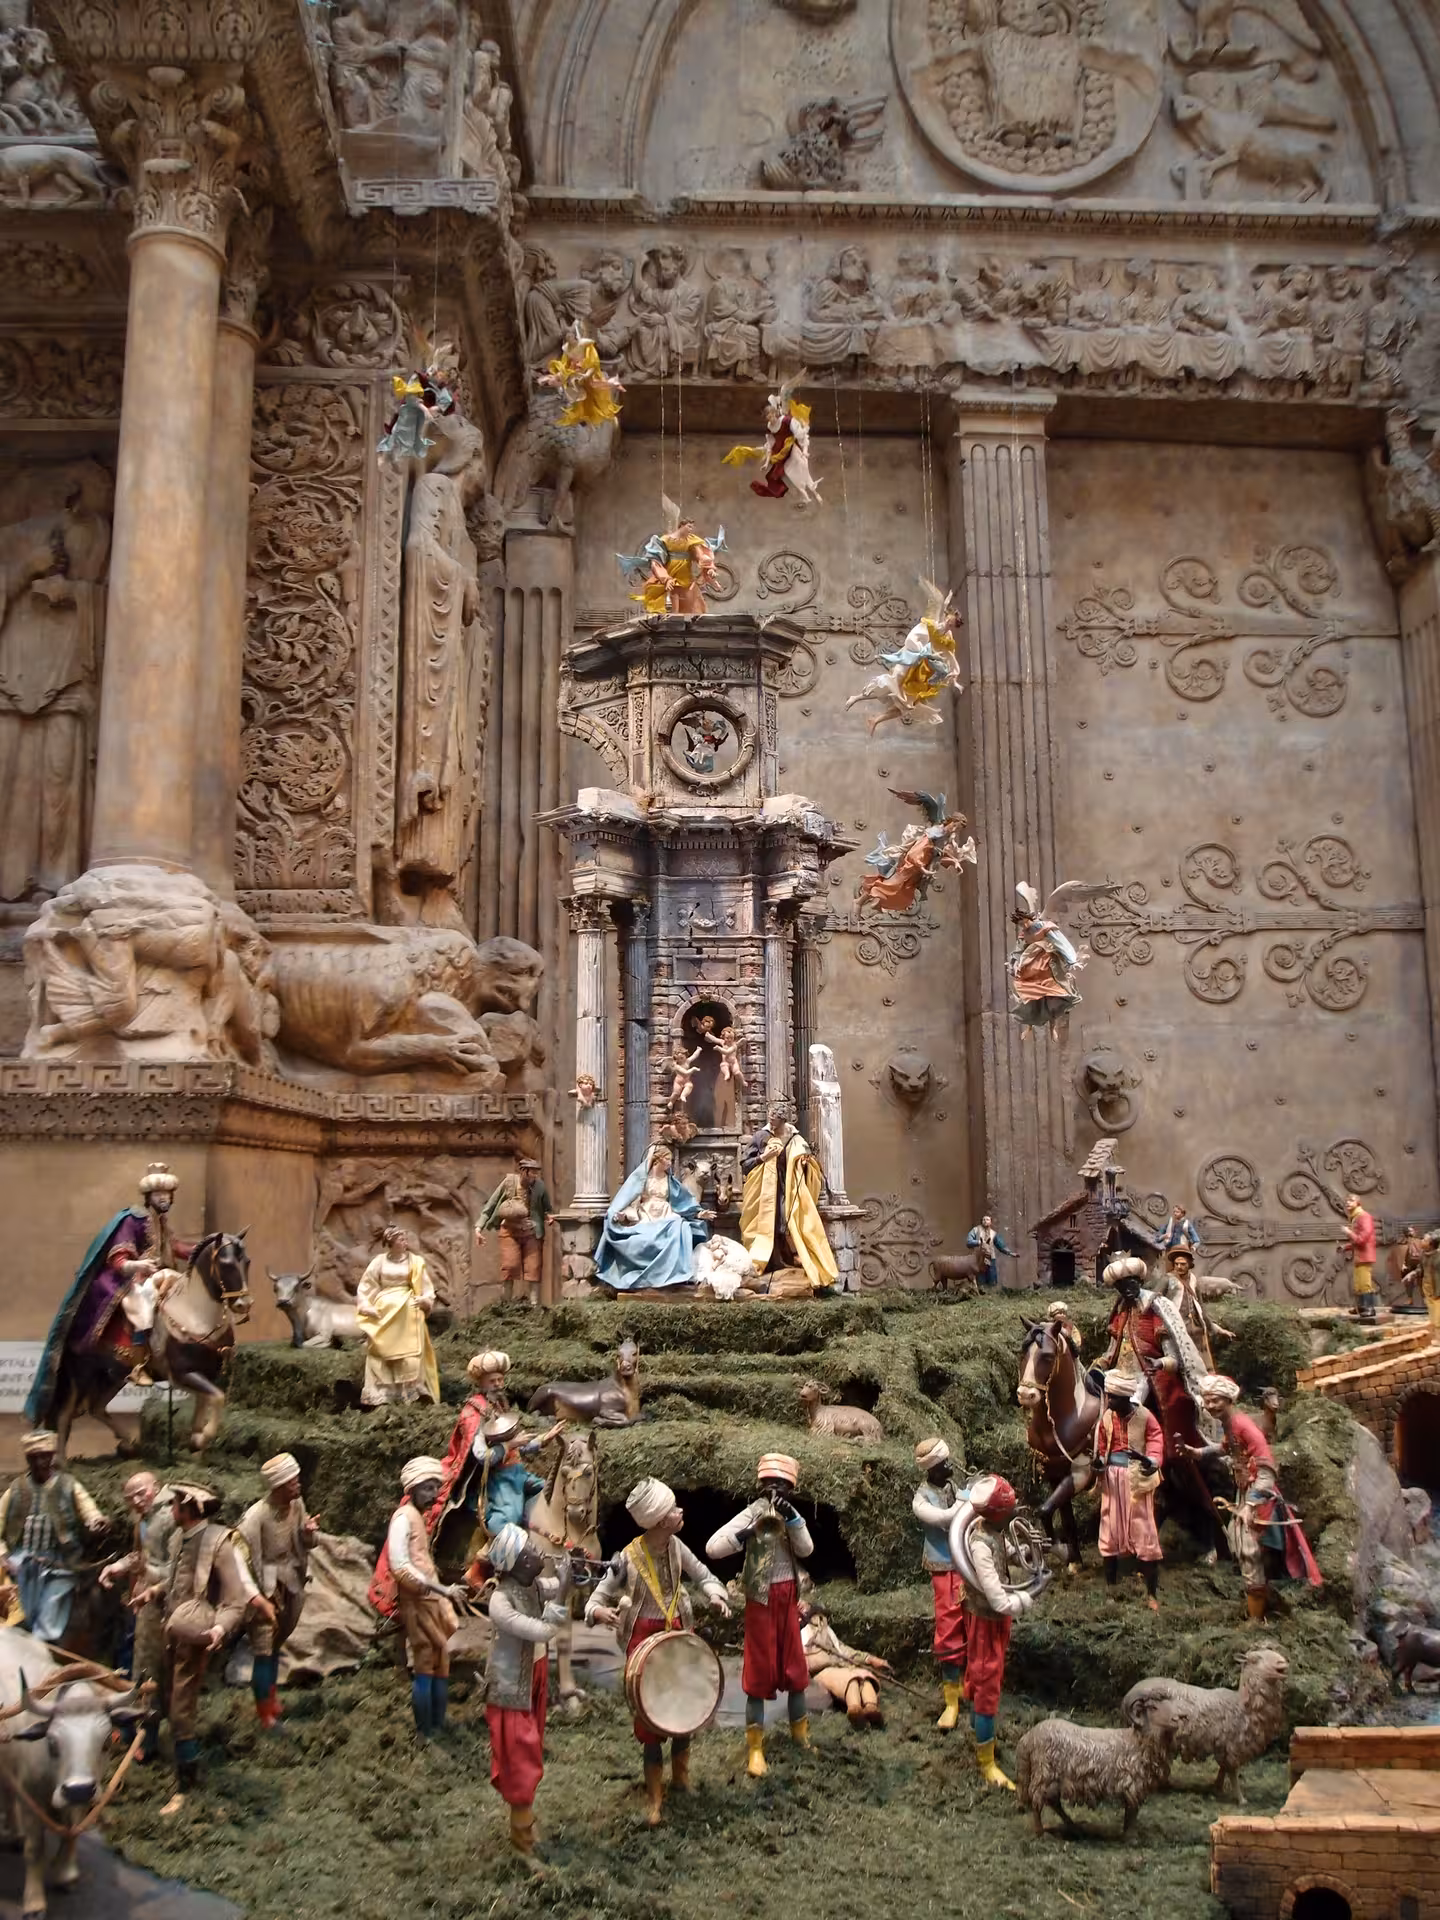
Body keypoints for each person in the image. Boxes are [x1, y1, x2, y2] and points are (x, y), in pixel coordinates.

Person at [587, 1476, 731, 1823]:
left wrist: (715, 1594)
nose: (680, 1512)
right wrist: (597, 1611)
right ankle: (655, 1796)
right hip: (644, 1641)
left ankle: (681, 1778)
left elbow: (704, 1575)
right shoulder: (628, 1557)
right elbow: (597, 1596)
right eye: (673, 1509)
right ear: (659, 1520)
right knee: (650, 1717)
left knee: (685, 1707)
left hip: (678, 1633)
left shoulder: (677, 1547)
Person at [28, 1162, 196, 1419]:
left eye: (167, 1193)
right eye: (158, 1194)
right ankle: (138, 1363)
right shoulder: (133, 1218)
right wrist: (138, 1264)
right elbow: (118, 1257)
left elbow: (174, 1247)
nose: (164, 1198)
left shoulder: (161, 1222)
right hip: (131, 1279)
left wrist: (206, 1248)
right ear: (149, 1196)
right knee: (144, 1303)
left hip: (159, 1276)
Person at [142, 1480, 269, 1800]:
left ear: (190, 1508)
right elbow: (177, 1581)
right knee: (161, 1696)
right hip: (170, 1630)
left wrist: (219, 1629)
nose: (171, 1509)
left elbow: (236, 1600)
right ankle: (159, 1754)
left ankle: (187, 1788)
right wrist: (154, 1592)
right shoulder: (178, 1538)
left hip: (196, 1633)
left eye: (176, 1504)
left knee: (182, 1710)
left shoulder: (219, 1543)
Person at [706, 1453, 814, 1778]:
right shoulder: (752, 1512)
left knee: (795, 1667)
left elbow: (807, 1549)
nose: (774, 1491)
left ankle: (800, 1735)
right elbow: (713, 1548)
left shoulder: (792, 1514)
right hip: (760, 1600)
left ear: (791, 1489)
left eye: (781, 1485)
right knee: (758, 1671)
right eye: (769, 1485)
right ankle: (755, 1748)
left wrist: (792, 1519)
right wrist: (747, 1533)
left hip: (788, 1598)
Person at [1187, 1375, 1322, 1621]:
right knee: (1242, 1548)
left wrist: (1250, 1505)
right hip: (1244, 1493)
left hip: (1259, 1499)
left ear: (1228, 1399)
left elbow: (1267, 1469)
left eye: (1215, 1400)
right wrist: (1199, 1452)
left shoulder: (1243, 1425)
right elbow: (1226, 1447)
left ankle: (1257, 1618)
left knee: (1250, 1552)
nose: (1210, 1406)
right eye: (1207, 1400)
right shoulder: (1230, 1425)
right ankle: (1261, 1604)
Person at [483, 1522, 569, 1856]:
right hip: (509, 1690)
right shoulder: (500, 1601)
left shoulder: (530, 1585)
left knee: (531, 1747)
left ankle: (524, 1823)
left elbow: (558, 1583)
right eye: (531, 1549)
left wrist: (586, 1572)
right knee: (521, 1756)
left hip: (533, 1677)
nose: (538, 1551)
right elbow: (543, 1631)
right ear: (518, 1562)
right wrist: (563, 1589)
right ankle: (522, 1840)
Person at [955, 1475, 1045, 1791]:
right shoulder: (980, 1545)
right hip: (987, 1621)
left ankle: (978, 1730)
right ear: (997, 1514)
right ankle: (986, 1763)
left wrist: (1028, 1550)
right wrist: (1026, 1599)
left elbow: (1005, 1553)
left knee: (982, 1677)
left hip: (993, 1621)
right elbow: (998, 1599)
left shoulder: (992, 1532)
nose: (1014, 1513)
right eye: (1009, 1509)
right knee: (987, 1684)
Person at [384, 1457, 469, 1739]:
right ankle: (425, 1730)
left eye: (435, 1488)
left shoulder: (418, 1517)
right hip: (417, 1602)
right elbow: (400, 1565)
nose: (434, 1494)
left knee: (440, 1658)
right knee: (425, 1659)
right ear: (412, 1489)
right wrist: (442, 1590)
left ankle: (437, 1724)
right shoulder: (402, 1518)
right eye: (428, 1488)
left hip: (430, 1600)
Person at [0, 1430, 106, 1644]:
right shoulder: (16, 1488)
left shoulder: (68, 1485)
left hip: (59, 1564)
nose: (39, 1462)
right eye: (34, 1457)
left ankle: (44, 1647)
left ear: (52, 1456)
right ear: (28, 1459)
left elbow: (89, 1509)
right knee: (20, 1615)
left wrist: (96, 1521)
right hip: (20, 1564)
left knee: (49, 1615)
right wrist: (3, 1556)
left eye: (44, 1456)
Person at [99, 1469, 174, 1760]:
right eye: (131, 1498)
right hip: (143, 1603)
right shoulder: (143, 1520)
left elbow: (178, 1570)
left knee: (152, 1671)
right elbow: (138, 1557)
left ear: (156, 1487)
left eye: (142, 1493)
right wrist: (117, 1567)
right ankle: (130, 1728)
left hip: (164, 1604)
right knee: (133, 1663)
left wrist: (147, 1573)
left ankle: (148, 1739)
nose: (138, 1501)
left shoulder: (170, 1518)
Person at [239, 1453, 317, 1729]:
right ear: (279, 1485)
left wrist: (308, 1533)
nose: (298, 1485)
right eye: (293, 1481)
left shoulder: (297, 1505)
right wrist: (258, 1596)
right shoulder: (255, 1517)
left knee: (276, 1645)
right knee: (264, 1649)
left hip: (291, 1582)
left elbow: (307, 1542)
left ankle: (271, 1698)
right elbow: (243, 1558)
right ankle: (264, 1714)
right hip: (266, 1588)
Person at [739, 1102, 838, 1295]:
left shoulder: (796, 1139)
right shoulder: (760, 1137)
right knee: (768, 1222)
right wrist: (763, 1157)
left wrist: (805, 1164)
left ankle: (789, 1260)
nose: (771, 1120)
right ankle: (766, 1263)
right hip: (763, 1193)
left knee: (788, 1222)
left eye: (775, 1117)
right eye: (770, 1116)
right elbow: (745, 1164)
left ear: (783, 1120)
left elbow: (811, 1165)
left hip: (789, 1189)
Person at [595, 1142, 710, 1292]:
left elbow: (683, 1201)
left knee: (680, 1226)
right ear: (658, 1159)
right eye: (667, 1159)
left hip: (666, 1214)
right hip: (647, 1214)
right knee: (647, 1237)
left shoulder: (669, 1181)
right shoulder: (642, 1179)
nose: (670, 1163)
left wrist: (698, 1213)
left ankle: (673, 1273)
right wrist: (619, 1214)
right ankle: (650, 1275)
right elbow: (627, 1197)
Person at [911, 1436, 967, 1729]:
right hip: (944, 1568)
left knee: (973, 1621)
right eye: (944, 1463)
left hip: (966, 1563)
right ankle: (951, 1700)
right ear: (931, 1468)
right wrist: (966, 1499)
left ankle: (968, 1684)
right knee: (948, 1629)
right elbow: (946, 1519)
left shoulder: (952, 1487)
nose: (950, 1466)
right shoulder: (921, 1500)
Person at [1095, 1373, 1163, 1611]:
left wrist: (1150, 1460)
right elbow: (1102, 1445)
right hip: (1112, 1480)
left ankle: (1151, 1593)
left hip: (1136, 1480)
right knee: (1110, 1528)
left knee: (1143, 1529)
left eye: (1113, 1397)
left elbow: (1155, 1442)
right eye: (1108, 1396)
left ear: (1125, 1397)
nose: (1109, 1401)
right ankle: (1111, 1589)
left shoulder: (1145, 1417)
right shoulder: (1107, 1417)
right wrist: (1100, 1462)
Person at [355, 1224, 439, 1407]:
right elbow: (366, 1285)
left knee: (410, 1351)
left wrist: (425, 1300)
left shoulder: (415, 1261)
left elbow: (426, 1286)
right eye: (401, 1239)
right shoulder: (379, 1261)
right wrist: (366, 1306)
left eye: (405, 1239)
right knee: (380, 1350)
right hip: (384, 1312)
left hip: (408, 1312)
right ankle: (383, 1392)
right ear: (391, 1242)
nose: (405, 1242)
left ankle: (411, 1390)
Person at [475, 1155, 555, 1310]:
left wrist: (548, 1217)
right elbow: (491, 1205)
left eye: (536, 1172)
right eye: (532, 1172)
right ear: (524, 1171)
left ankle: (534, 1306)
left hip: (531, 1232)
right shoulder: (509, 1183)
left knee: (533, 1268)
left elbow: (547, 1208)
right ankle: (506, 1305)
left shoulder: (540, 1187)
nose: (535, 1176)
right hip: (510, 1231)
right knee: (510, 1266)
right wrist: (479, 1228)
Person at [799, 1599, 890, 1728]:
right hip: (822, 1670)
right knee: (850, 1680)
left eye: (800, 1601)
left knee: (865, 1677)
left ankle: (871, 1708)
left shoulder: (824, 1628)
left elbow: (841, 1649)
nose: (798, 1604)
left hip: (840, 1665)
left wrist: (868, 1658)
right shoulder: (797, 1633)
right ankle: (855, 1710)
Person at [477, 1411, 548, 1539]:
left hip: (520, 1475)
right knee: (510, 1514)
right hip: (503, 1479)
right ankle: (501, 1536)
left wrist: (546, 1438)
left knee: (548, 1488)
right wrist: (510, 1444)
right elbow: (483, 1456)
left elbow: (522, 1446)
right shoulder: (482, 1433)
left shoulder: (497, 1410)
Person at [1164, 1246, 1233, 1371]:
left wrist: (1216, 1329)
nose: (1179, 1267)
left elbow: (1201, 1307)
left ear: (1189, 1264)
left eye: (1183, 1264)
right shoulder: (1167, 1279)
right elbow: (1154, 1299)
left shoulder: (1193, 1279)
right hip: (1176, 1327)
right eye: (1176, 1264)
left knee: (1201, 1365)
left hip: (1196, 1328)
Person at [1341, 1194, 1378, 1322]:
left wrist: (1348, 1232)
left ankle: (1369, 1308)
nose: (1348, 1202)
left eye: (1351, 1200)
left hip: (1365, 1256)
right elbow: (1357, 1241)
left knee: (1364, 1283)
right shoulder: (1355, 1218)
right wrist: (1346, 1247)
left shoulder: (1364, 1217)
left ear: (1358, 1203)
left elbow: (1362, 1240)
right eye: (1347, 1200)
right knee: (1358, 1283)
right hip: (1359, 1256)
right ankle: (1361, 1307)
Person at [966, 1216, 1017, 1292]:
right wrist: (978, 1242)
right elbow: (968, 1242)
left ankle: (992, 1293)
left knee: (992, 1278)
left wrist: (1010, 1253)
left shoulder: (993, 1233)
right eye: (983, 1219)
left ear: (990, 1222)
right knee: (980, 1278)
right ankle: (981, 1292)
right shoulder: (975, 1230)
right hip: (979, 1259)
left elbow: (1001, 1246)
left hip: (991, 1258)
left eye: (987, 1219)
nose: (985, 1221)